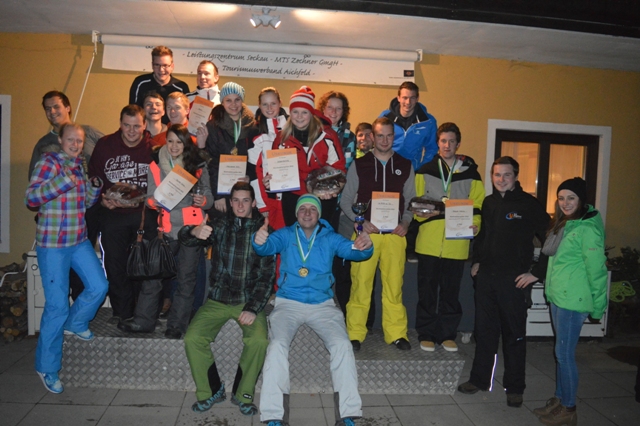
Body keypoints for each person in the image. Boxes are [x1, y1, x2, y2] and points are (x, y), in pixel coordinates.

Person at [252, 194, 373, 426]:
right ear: (296, 214)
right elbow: (266, 247)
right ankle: (275, 415)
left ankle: (347, 413)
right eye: (303, 209)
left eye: (312, 209)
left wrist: (366, 246)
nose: (307, 213)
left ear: (319, 214)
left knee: (342, 345)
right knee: (276, 346)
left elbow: (355, 251)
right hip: (288, 303)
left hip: (322, 305)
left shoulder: (330, 237)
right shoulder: (286, 234)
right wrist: (258, 241)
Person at [458, 156, 550, 408]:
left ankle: (515, 387)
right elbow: (483, 236)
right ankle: (479, 380)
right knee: (484, 332)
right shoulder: (488, 203)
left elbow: (551, 240)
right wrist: (477, 261)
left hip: (514, 281)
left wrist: (537, 273)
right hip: (486, 279)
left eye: (506, 174)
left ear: (516, 176)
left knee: (514, 335)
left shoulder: (528, 204)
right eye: (497, 174)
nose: (501, 179)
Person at [25, 123, 109, 394]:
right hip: (52, 245)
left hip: (78, 241)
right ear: (61, 140)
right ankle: (46, 367)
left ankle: (76, 322)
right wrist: (62, 182)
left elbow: (83, 203)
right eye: (71, 139)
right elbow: (31, 198)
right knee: (57, 306)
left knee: (99, 285)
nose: (75, 144)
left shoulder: (78, 166)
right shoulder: (49, 163)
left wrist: (93, 188)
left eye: (79, 141)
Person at [181, 182, 275, 416]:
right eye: (236, 200)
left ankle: (243, 394)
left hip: (247, 300)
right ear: (230, 203)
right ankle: (212, 391)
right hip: (218, 299)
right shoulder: (220, 225)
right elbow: (187, 239)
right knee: (193, 338)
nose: (240, 205)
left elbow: (267, 277)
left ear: (254, 203)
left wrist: (253, 308)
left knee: (259, 341)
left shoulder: (264, 232)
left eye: (245, 200)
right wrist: (193, 231)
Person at [117, 124, 213, 336]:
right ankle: (144, 321)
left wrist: (203, 200)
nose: (174, 146)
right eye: (170, 141)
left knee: (186, 280)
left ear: (186, 144)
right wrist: (157, 201)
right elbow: (149, 199)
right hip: (165, 229)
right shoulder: (154, 164)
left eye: (179, 142)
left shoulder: (197, 164)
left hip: (192, 229)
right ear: (165, 142)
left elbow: (209, 198)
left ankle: (177, 325)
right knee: (153, 276)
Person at [533, 178, 607, 425]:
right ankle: (559, 399)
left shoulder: (587, 228)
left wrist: (599, 306)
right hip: (560, 296)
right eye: (561, 198)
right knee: (560, 352)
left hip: (573, 300)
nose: (565, 203)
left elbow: (597, 271)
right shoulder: (566, 223)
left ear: (581, 200)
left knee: (564, 354)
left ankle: (569, 408)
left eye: (571, 198)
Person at [340, 117, 416, 351]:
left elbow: (411, 201)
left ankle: (396, 333)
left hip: (395, 236)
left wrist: (406, 222)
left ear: (394, 137)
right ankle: (354, 333)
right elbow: (345, 200)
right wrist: (360, 222)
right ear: (372, 137)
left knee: (394, 287)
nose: (384, 140)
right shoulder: (360, 164)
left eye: (389, 135)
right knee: (360, 286)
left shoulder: (405, 165)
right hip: (365, 235)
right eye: (380, 135)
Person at [413, 122, 484, 352]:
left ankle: (447, 334)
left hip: (457, 242)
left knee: (451, 293)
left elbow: (478, 205)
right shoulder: (424, 171)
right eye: (443, 141)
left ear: (458, 144)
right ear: (438, 143)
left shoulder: (471, 174)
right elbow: (414, 202)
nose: (447, 145)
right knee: (427, 292)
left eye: (451, 141)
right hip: (428, 242)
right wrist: (421, 214)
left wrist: (476, 225)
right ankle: (426, 333)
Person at [88, 104, 160, 324]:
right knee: (115, 264)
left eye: (136, 126)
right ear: (120, 124)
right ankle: (122, 312)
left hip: (144, 215)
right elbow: (94, 176)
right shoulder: (105, 144)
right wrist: (102, 198)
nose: (131, 131)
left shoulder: (154, 148)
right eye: (127, 126)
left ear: (144, 125)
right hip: (113, 214)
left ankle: (143, 313)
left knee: (144, 265)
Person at [263, 86, 346, 226]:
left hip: (322, 197)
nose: (299, 116)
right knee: (294, 235)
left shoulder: (328, 136)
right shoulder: (282, 138)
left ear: (311, 114)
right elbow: (275, 169)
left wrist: (331, 189)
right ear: (290, 113)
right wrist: (269, 181)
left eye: (304, 112)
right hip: (293, 196)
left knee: (321, 235)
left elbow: (339, 168)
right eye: (295, 112)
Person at [204, 82, 259, 215]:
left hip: (245, 190)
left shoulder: (253, 126)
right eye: (228, 100)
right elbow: (212, 163)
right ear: (222, 102)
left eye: (237, 100)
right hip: (222, 191)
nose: (233, 104)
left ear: (242, 101)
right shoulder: (213, 126)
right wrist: (218, 195)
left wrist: (249, 176)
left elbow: (256, 159)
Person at [28, 90, 103, 180]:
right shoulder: (43, 144)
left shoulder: (89, 131)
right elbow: (35, 179)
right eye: (48, 109)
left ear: (68, 108)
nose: (52, 111)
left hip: (94, 188)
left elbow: (112, 151)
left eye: (56, 107)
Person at [251, 87, 288, 230]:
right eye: (265, 104)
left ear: (280, 103)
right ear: (259, 106)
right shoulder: (255, 131)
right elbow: (254, 171)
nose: (269, 108)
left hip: (290, 197)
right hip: (269, 199)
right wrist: (262, 204)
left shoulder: (291, 128)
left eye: (273, 103)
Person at [379, 81, 437, 171]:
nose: (408, 102)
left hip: (412, 170)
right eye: (405, 98)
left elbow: (432, 148)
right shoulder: (385, 117)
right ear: (398, 98)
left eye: (412, 98)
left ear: (417, 98)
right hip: (386, 168)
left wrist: (422, 168)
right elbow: (376, 142)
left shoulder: (428, 122)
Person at [129, 46, 189, 123]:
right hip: (146, 129)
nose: (161, 69)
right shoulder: (140, 83)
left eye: (165, 65)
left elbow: (186, 116)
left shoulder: (181, 87)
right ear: (152, 65)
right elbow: (133, 113)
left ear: (172, 66)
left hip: (172, 130)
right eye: (157, 65)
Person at [318, 91, 356, 171]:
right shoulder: (312, 131)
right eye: (330, 107)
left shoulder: (349, 137)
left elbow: (346, 167)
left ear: (343, 111)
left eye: (338, 108)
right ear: (323, 108)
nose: (334, 112)